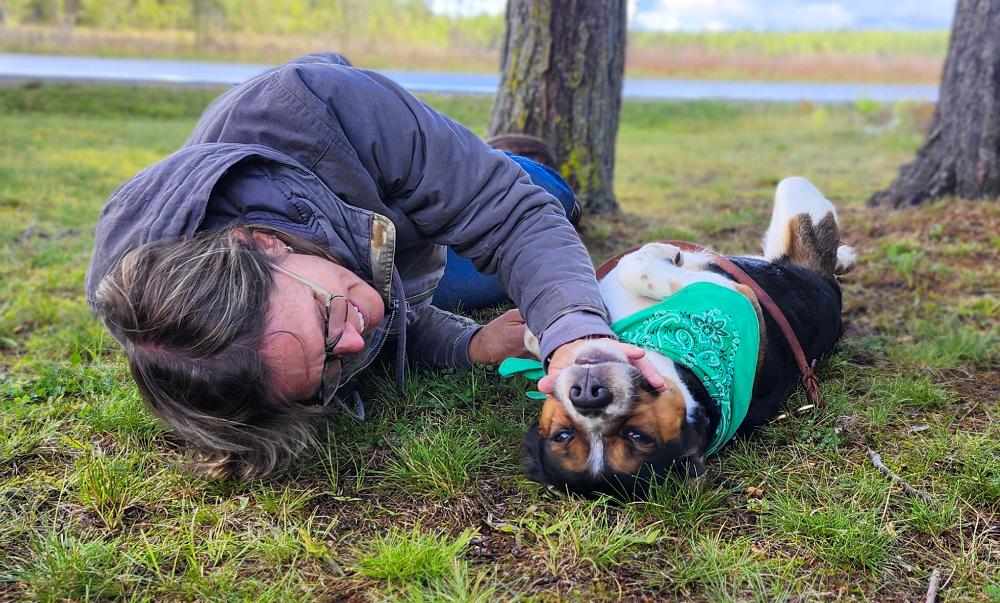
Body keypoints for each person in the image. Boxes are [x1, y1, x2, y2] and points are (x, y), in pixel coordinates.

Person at [85, 53, 662, 480]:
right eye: (331, 369)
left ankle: (488, 157)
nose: (357, 339)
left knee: (549, 199)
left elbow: (510, 215)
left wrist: (575, 335)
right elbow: (384, 329)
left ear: (262, 243)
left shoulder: (319, 102)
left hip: (391, 209)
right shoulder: (202, 353)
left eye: (325, 316)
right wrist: (468, 344)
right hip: (402, 268)